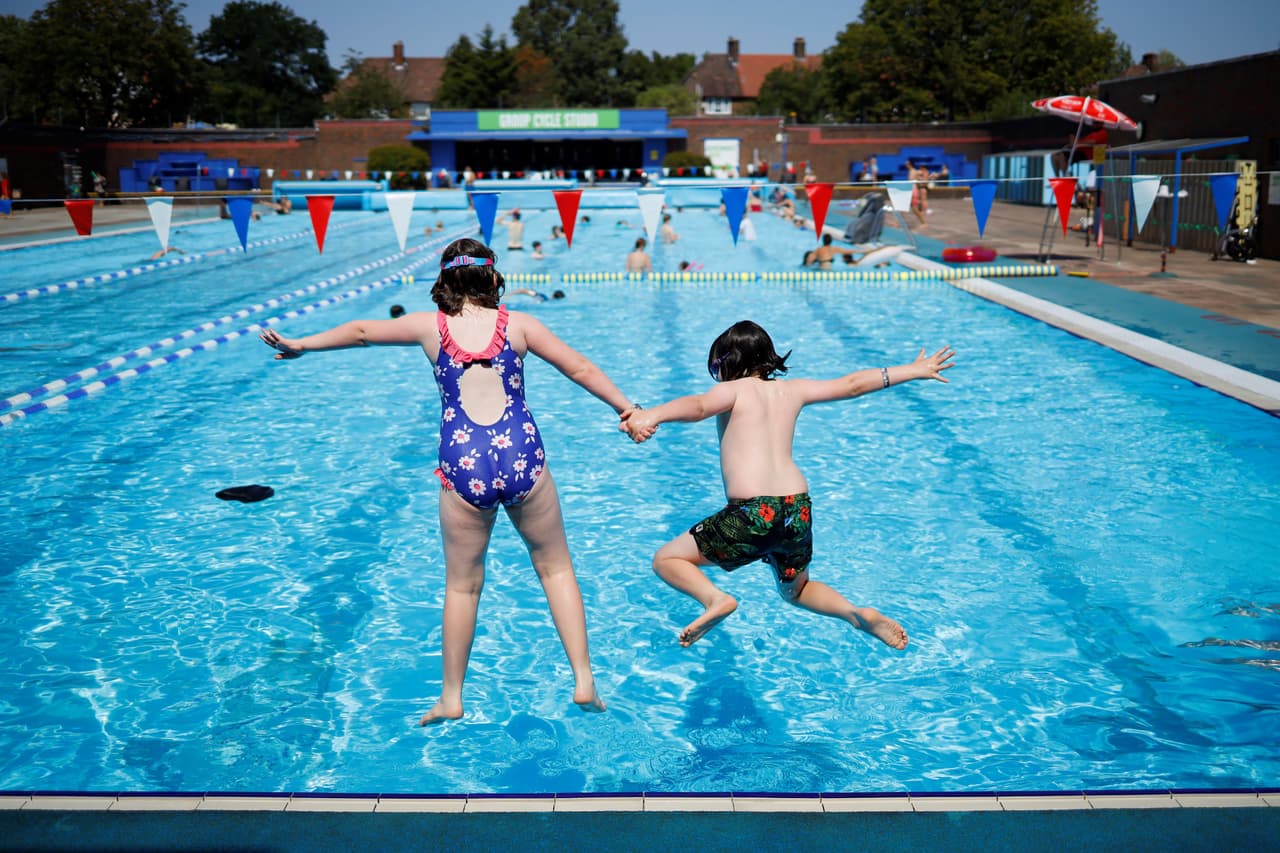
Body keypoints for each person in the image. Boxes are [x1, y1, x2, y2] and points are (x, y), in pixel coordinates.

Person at [260, 237, 641, 723]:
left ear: (443, 280)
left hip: (464, 461)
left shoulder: (430, 328)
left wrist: (301, 346)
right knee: (556, 569)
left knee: (463, 587)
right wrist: (627, 409)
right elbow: (580, 367)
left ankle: (452, 696)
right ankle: (584, 680)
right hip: (521, 452)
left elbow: (359, 331)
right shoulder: (520, 325)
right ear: (492, 277)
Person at [621, 320, 955, 649]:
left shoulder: (733, 389)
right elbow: (852, 384)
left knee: (667, 560)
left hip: (754, 511)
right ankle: (855, 614)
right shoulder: (793, 390)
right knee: (796, 591)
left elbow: (698, 407)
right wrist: (911, 370)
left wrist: (652, 414)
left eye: (714, 367)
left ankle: (715, 600)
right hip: (796, 509)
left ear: (727, 363)